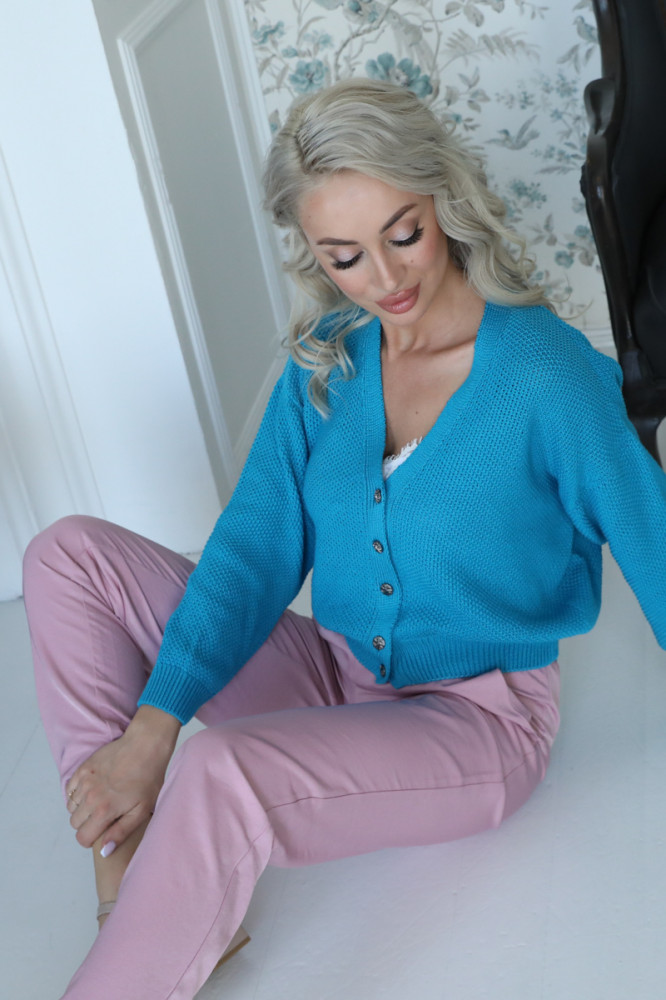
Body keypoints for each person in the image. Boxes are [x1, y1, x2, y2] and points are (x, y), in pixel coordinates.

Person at [23, 78, 666, 1000]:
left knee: (220, 770)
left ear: (443, 198)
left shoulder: (546, 377)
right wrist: (152, 726)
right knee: (67, 555)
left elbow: (654, 542)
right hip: (335, 672)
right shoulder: (327, 361)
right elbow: (252, 552)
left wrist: (173, 739)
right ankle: (126, 884)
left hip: (478, 722)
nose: (386, 279)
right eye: (346, 257)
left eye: (404, 234)